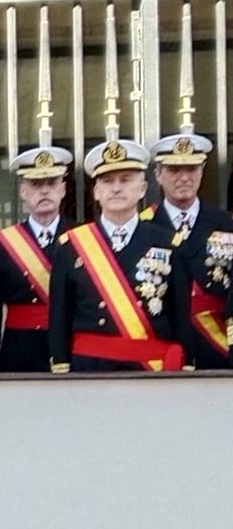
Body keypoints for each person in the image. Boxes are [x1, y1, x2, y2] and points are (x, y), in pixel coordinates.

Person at [48, 140, 192, 373]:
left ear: (143, 188)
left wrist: (186, 364)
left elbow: (181, 315)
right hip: (91, 367)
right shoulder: (71, 245)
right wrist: (61, 364)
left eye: (125, 180)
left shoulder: (169, 244)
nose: (116, 188)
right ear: (96, 192)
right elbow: (59, 316)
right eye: (107, 181)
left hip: (150, 368)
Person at [0, 145, 74, 372]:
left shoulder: (82, 239)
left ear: (63, 189)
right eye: (36, 184)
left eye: (51, 183)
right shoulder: (1, 244)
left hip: (70, 345)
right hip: (20, 350)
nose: (44, 191)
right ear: (23, 192)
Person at [142, 131, 233, 369]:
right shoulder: (144, 226)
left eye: (191, 169)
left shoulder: (225, 223)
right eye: (174, 170)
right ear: (158, 175)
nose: (184, 177)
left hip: (218, 346)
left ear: (202, 172)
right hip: (165, 348)